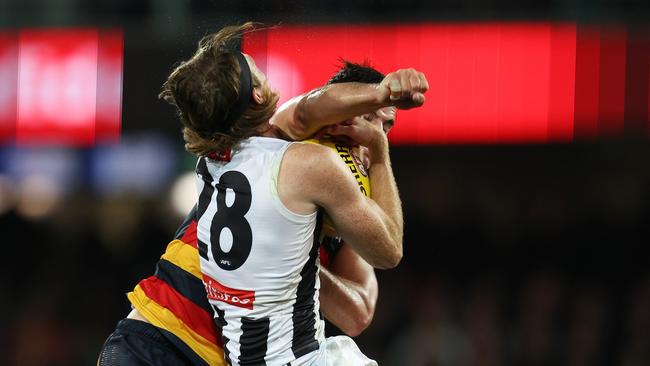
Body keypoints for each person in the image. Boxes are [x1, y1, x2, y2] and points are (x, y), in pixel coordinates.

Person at [169, 23, 425, 365]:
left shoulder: (216, 159)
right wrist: (379, 140)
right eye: (364, 118)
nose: (374, 131)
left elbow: (359, 312)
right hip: (196, 329)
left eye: (386, 126)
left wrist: (291, 258)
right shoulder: (302, 152)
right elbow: (389, 250)